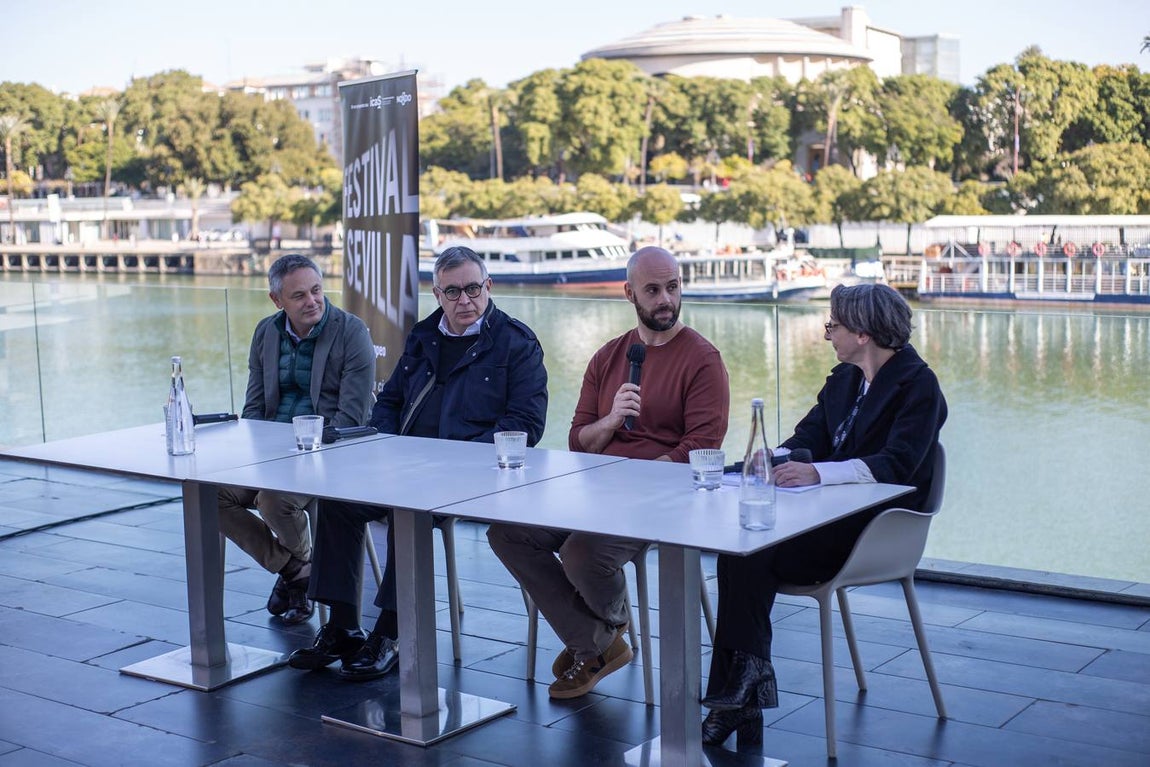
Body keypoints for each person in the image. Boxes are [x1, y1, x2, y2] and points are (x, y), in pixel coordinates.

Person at [701, 283, 947, 748]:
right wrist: (757, 461)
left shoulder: (919, 386)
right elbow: (805, 436)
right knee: (741, 550)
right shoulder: (845, 379)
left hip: (872, 534)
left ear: (863, 333)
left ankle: (738, 697)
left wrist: (817, 473)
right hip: (825, 523)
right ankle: (741, 696)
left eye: (832, 324)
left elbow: (898, 466)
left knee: (749, 555)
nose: (826, 333)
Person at [287, 246, 548, 679]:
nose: (465, 300)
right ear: (437, 293)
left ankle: (390, 633)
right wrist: (390, 448)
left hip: (470, 477)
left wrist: (449, 461)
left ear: (489, 286)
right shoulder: (423, 335)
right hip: (404, 468)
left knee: (410, 514)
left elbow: (525, 426)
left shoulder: (517, 344)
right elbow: (388, 402)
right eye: (452, 291)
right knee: (337, 501)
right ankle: (341, 627)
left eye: (472, 289)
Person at [487, 246, 730, 700]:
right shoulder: (608, 356)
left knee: (581, 555)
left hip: (659, 498)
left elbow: (702, 448)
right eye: (653, 290)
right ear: (629, 293)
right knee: (508, 532)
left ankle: (592, 640)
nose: (665, 300)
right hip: (594, 492)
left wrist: (633, 478)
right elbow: (578, 439)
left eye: (673, 288)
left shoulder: (703, 359)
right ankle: (598, 641)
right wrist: (612, 419)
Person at [218, 254, 375, 625]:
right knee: (210, 495)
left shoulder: (351, 332)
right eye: (299, 295)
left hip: (328, 456)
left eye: (317, 290)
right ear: (277, 301)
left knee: (273, 501)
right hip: (271, 456)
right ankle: (298, 571)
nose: (312, 301)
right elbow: (253, 408)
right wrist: (253, 457)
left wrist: (298, 458)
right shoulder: (265, 333)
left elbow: (352, 419)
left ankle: (293, 577)